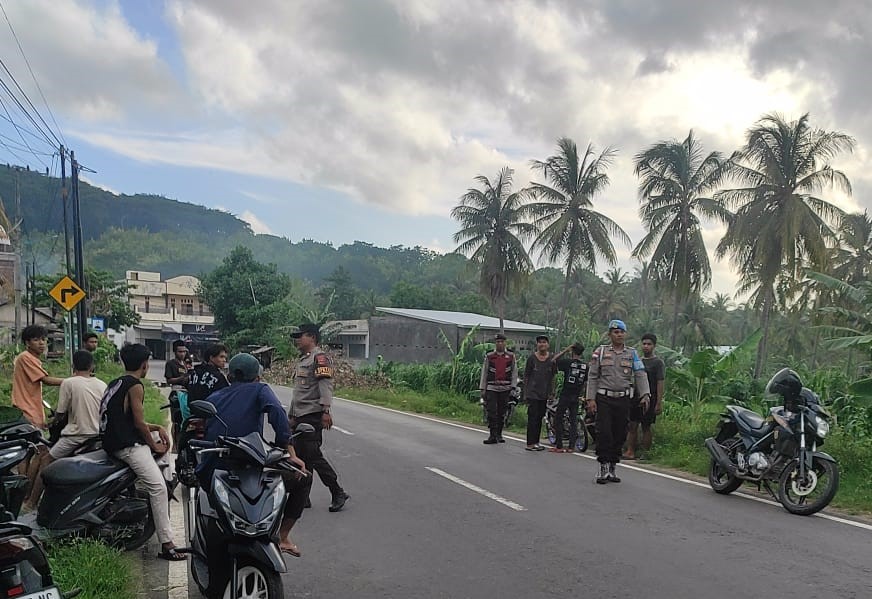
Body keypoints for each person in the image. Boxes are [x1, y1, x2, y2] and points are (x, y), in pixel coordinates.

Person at [199, 353, 309, 557]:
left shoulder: (214, 397)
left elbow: (203, 427)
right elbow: (276, 411)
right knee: (302, 479)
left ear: (229, 376)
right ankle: (283, 537)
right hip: (245, 466)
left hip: (211, 469)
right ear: (257, 377)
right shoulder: (260, 389)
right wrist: (289, 451)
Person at [99, 343, 183, 561]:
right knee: (157, 488)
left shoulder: (116, 382)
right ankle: (168, 544)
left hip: (110, 441)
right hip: (127, 446)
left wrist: (156, 428)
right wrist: (153, 445)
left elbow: (126, 417)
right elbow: (137, 423)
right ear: (145, 365)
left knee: (161, 436)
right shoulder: (135, 385)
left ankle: (165, 477)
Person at [25, 350, 107, 510]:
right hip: (98, 435)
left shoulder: (69, 383)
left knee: (46, 461)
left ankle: (31, 503)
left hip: (77, 435)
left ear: (73, 365)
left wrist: (51, 422)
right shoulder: (102, 384)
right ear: (92, 366)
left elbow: (60, 414)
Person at [289, 323, 350, 512]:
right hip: (300, 415)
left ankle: (337, 491)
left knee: (313, 456)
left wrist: (326, 411)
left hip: (313, 415)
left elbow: (326, 385)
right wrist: (292, 415)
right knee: (302, 457)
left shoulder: (320, 358)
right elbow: (298, 392)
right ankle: (303, 496)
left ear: (312, 337)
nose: (297, 339)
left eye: (301, 336)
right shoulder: (303, 360)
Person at [586, 320, 650, 484]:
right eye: (615, 332)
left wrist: (645, 394)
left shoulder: (632, 354)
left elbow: (640, 373)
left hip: (623, 399)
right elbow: (593, 376)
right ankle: (603, 467)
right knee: (604, 432)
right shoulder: (600, 352)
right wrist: (590, 399)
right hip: (604, 398)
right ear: (610, 334)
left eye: (621, 332)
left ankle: (613, 466)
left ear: (625, 334)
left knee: (620, 433)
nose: (619, 334)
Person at [12, 325, 64, 506]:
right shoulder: (26, 358)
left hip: (29, 410)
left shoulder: (29, 358)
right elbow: (46, 380)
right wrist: (74, 381)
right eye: (36, 339)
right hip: (28, 412)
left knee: (26, 453)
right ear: (27, 342)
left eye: (43, 339)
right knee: (40, 452)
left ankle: (21, 492)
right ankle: (25, 493)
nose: (41, 343)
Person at [624, 333, 666, 461]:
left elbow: (660, 382)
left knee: (646, 426)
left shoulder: (658, 363)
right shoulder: (638, 361)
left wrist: (658, 402)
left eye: (649, 344)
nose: (646, 346)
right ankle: (630, 451)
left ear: (654, 346)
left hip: (650, 398)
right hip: (635, 397)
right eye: (644, 344)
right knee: (632, 425)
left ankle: (645, 453)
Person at [479, 333, 518, 445]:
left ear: (505, 343)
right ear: (495, 343)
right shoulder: (490, 356)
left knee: (502, 412)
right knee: (491, 412)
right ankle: (492, 435)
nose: (500, 343)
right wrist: (483, 388)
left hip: (505, 388)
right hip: (492, 387)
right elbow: (485, 372)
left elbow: (514, 372)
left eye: (502, 341)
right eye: (497, 342)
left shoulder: (511, 356)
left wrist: (513, 386)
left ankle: (499, 434)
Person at [550, 343, 588, 453]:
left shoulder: (567, 363)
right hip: (576, 396)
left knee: (558, 418)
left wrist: (565, 350)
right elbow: (586, 383)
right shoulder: (585, 366)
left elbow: (554, 360)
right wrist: (583, 395)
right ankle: (571, 447)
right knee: (573, 420)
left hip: (566, 394)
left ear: (572, 351)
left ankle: (559, 446)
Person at [522, 334, 557, 451]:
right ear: (537, 345)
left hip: (544, 394)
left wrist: (552, 392)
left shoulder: (551, 360)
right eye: (540, 342)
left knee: (539, 418)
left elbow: (553, 377)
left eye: (544, 342)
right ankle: (530, 443)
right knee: (532, 418)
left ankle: (536, 442)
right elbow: (526, 376)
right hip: (533, 393)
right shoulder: (532, 359)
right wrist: (525, 393)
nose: (542, 344)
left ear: (548, 345)